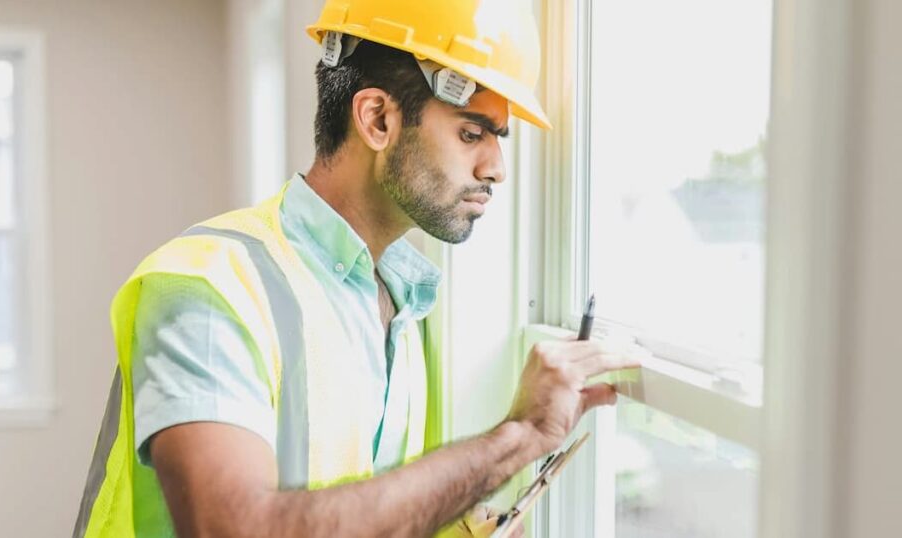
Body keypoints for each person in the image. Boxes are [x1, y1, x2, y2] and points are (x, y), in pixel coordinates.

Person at [73, 1, 639, 536]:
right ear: (376, 118)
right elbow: (232, 527)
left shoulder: (407, 306)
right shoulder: (205, 286)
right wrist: (517, 438)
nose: (496, 169)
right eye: (472, 133)